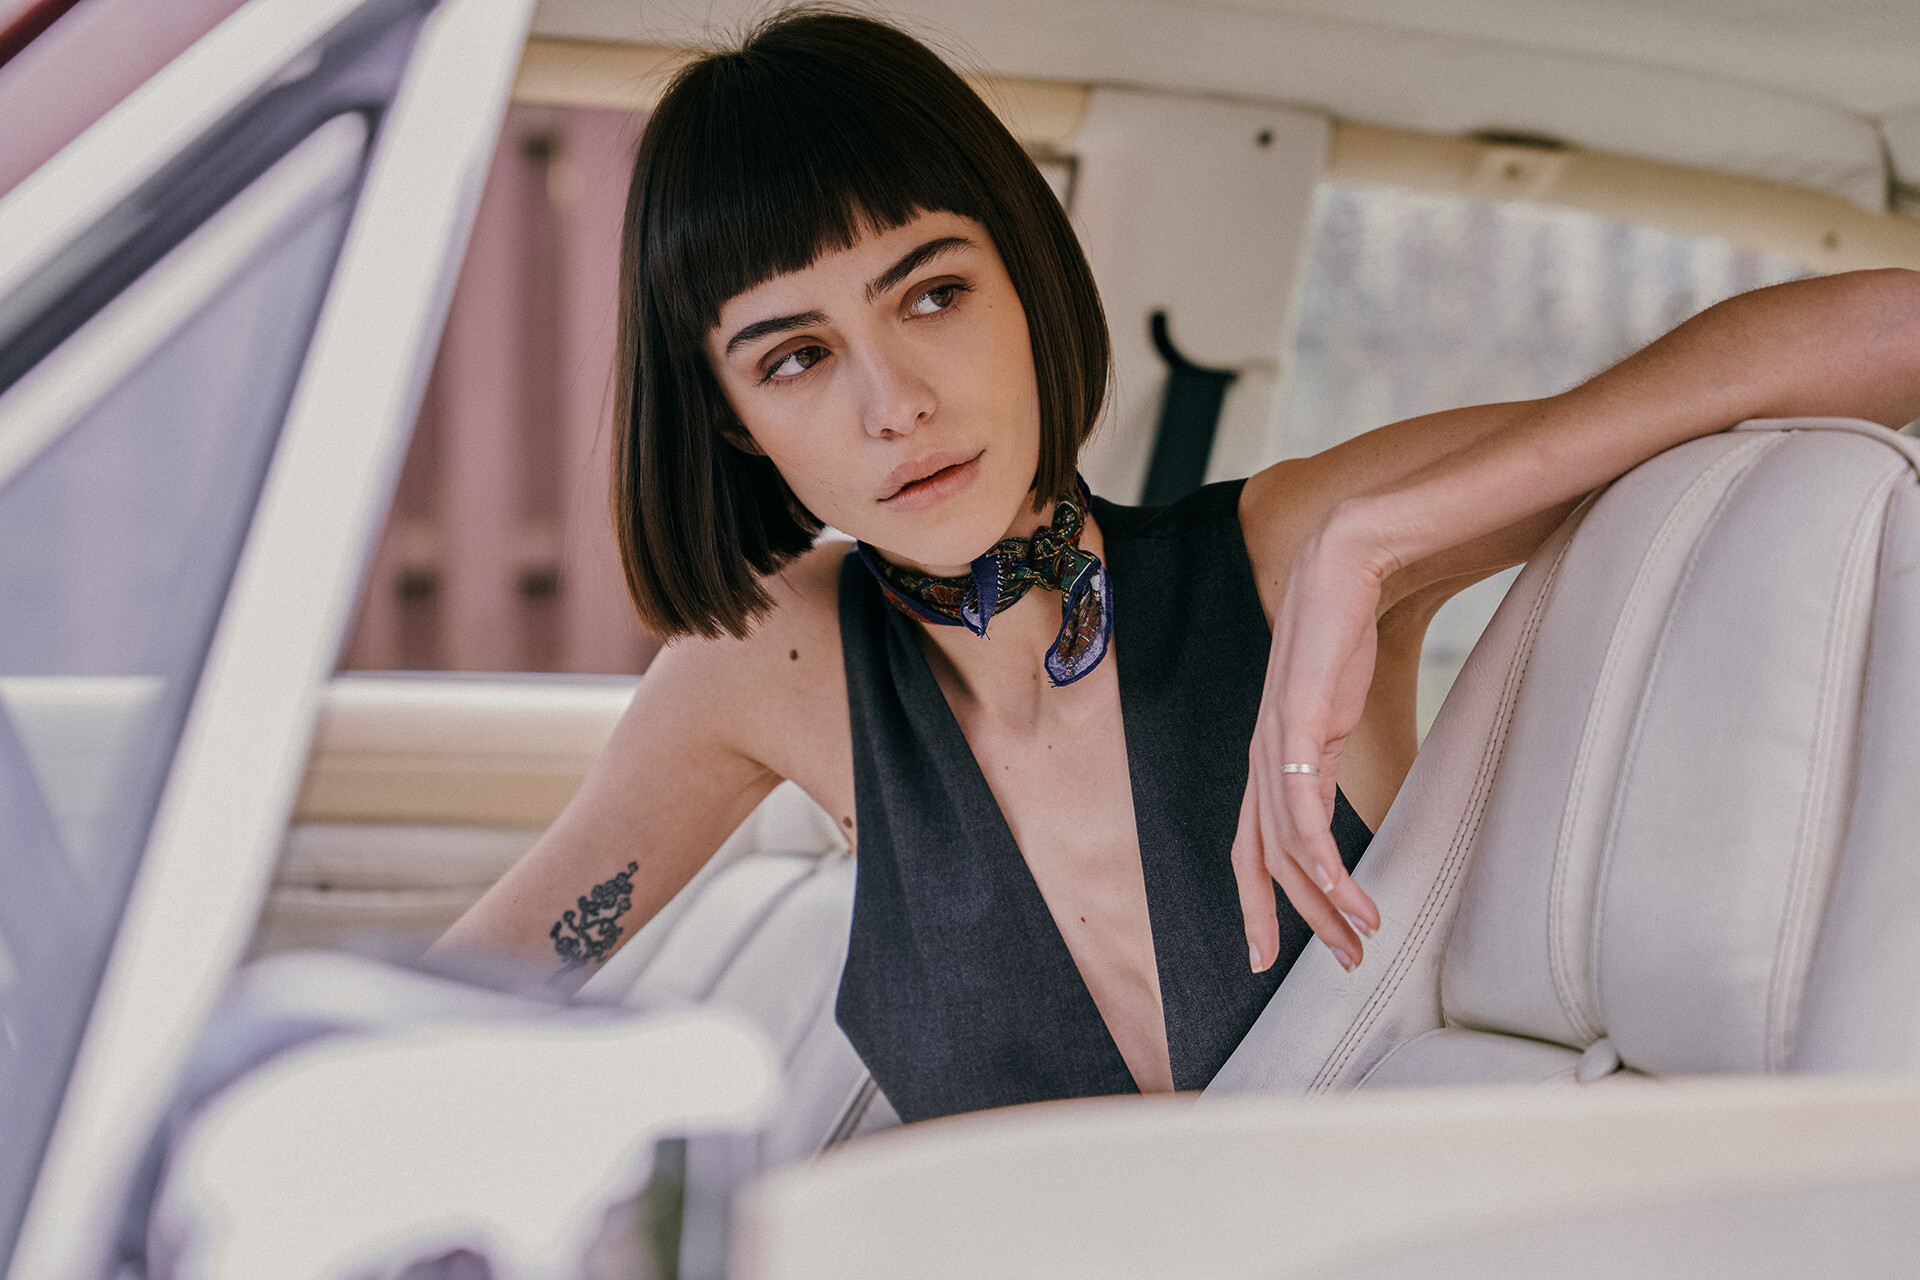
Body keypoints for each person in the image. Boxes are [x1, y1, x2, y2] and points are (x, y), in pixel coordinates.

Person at [429, 8, 1920, 1120]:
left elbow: (1888, 328)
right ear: (732, 421)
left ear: (1025, 280)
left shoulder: (1277, 553)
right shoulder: (774, 664)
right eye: (797, 356)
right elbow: (463, 1004)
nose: (895, 405)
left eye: (932, 293)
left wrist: (1376, 539)